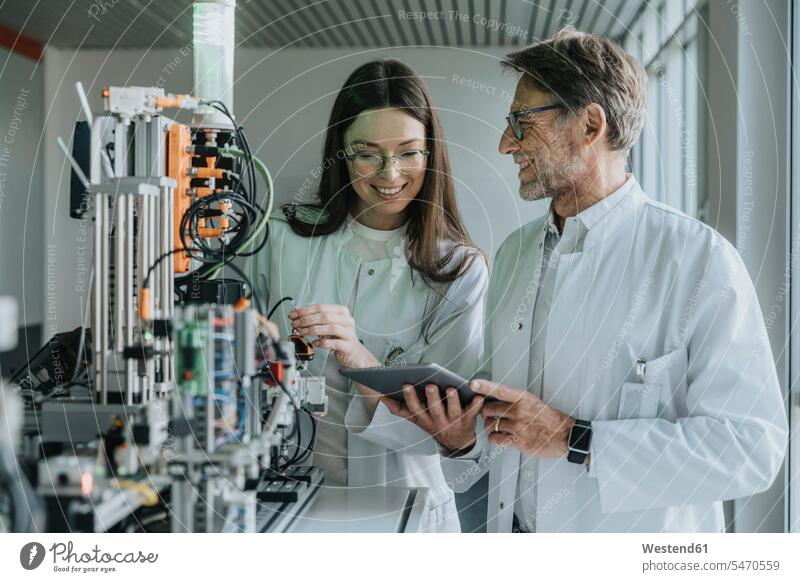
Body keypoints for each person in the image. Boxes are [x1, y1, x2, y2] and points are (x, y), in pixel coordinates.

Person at [384, 27, 789, 532]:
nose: (505, 143)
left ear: (590, 124)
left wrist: (575, 439)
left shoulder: (698, 260)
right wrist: (461, 437)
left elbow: (752, 448)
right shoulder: (513, 255)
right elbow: (505, 439)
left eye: (521, 122)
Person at [255, 59, 488, 532]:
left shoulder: (459, 270)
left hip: (407, 507)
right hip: (287, 498)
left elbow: (450, 434)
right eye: (367, 153)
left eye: (409, 152)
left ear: (431, 153)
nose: (391, 172)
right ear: (340, 152)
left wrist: (358, 358)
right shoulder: (282, 237)